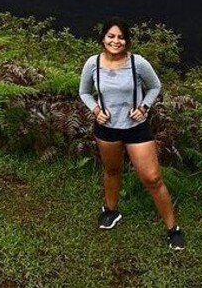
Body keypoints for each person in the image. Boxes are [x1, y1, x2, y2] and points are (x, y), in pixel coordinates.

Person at [79, 17, 186, 251]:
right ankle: (110, 210)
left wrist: (144, 108)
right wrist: (96, 110)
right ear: (103, 38)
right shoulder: (93, 63)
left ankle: (173, 229)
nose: (116, 41)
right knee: (112, 170)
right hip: (106, 128)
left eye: (121, 37)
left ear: (127, 41)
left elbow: (155, 87)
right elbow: (84, 92)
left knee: (152, 178)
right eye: (111, 36)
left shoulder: (138, 63)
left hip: (136, 128)